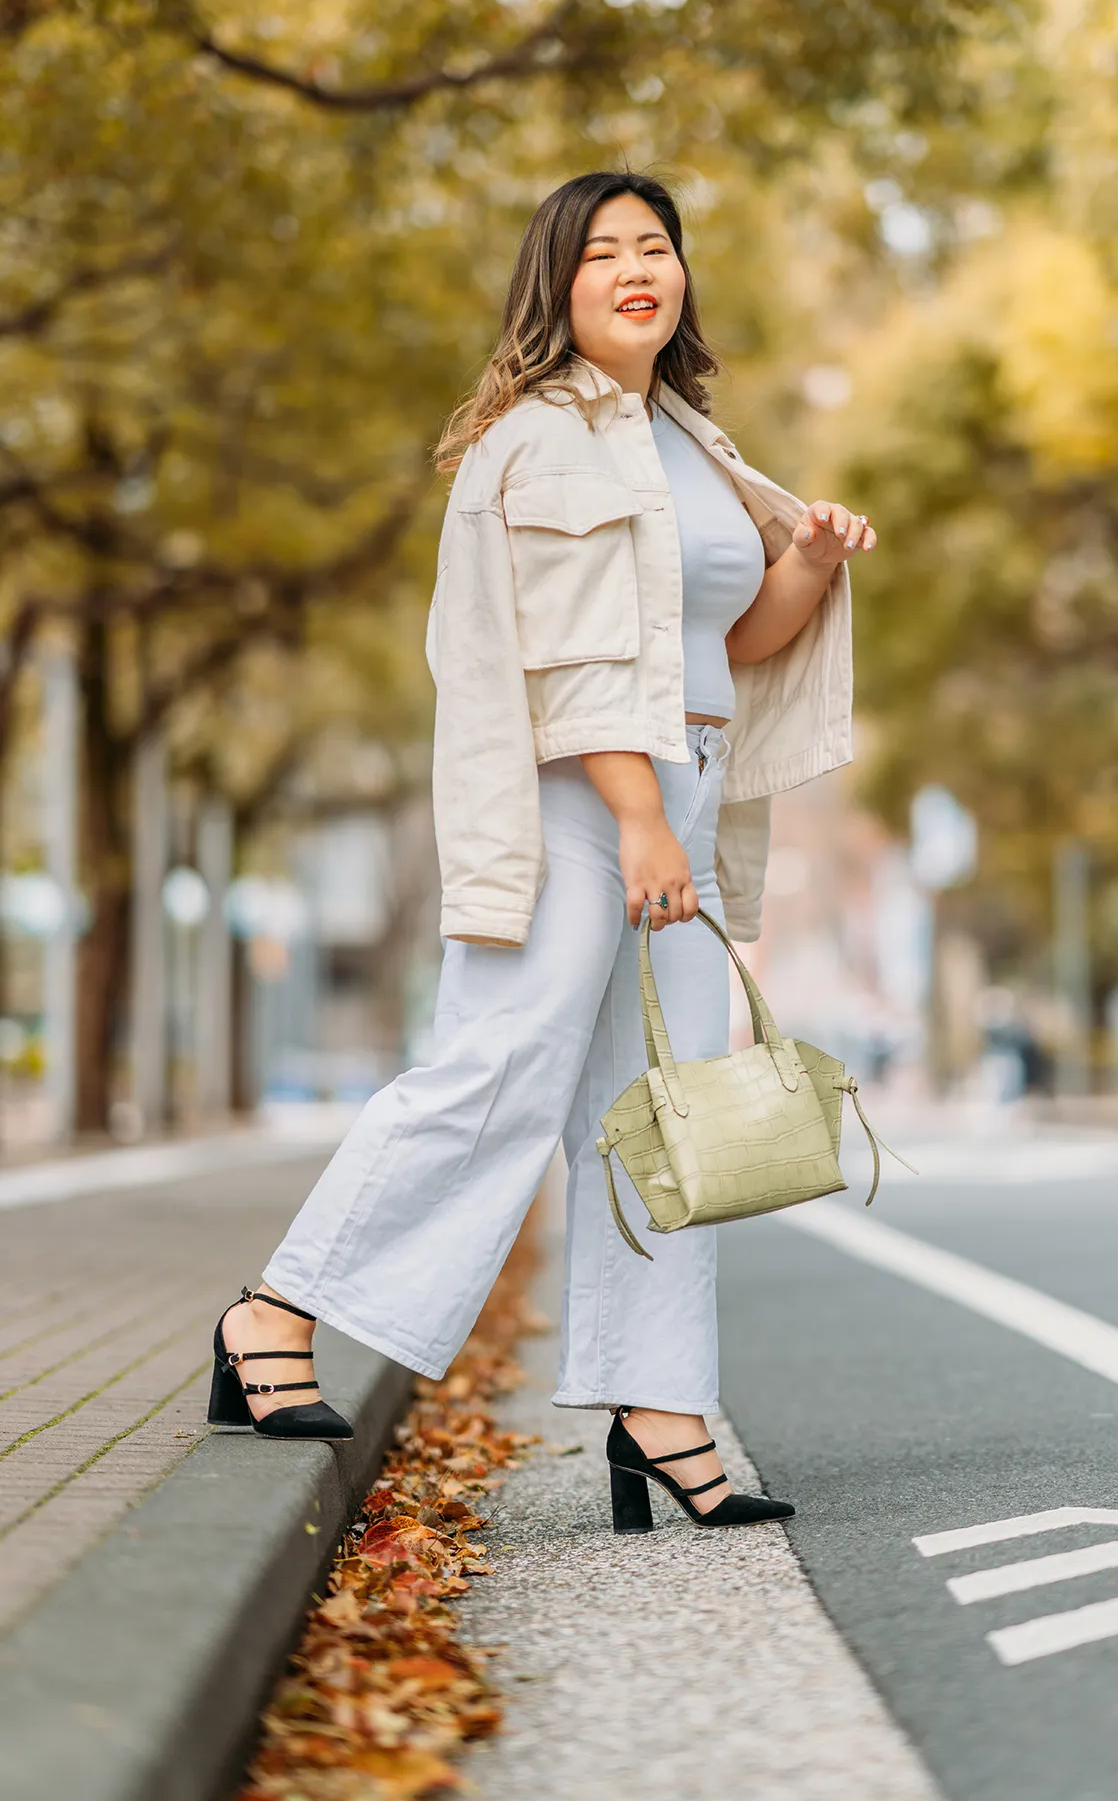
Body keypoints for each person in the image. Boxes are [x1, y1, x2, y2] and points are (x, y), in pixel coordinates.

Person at [209, 170, 875, 1532]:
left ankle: (661, 1407)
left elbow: (725, 649)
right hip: (583, 798)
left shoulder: (689, 438)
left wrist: (805, 562)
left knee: (663, 1109)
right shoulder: (543, 439)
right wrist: (636, 821)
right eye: (607, 251)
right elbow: (570, 671)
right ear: (558, 285)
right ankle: (273, 1318)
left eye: (660, 247)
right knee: (497, 1072)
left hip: (674, 791)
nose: (642, 267)